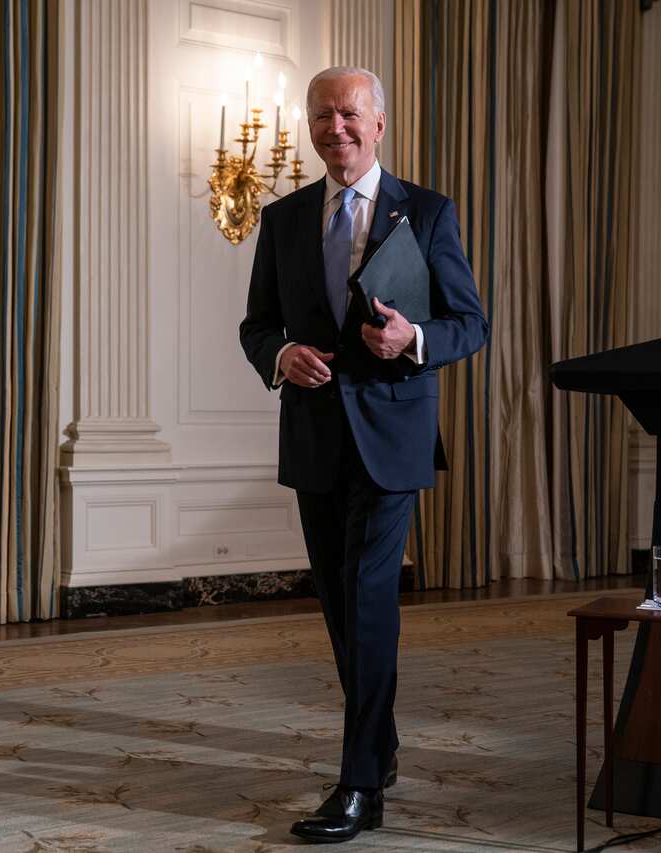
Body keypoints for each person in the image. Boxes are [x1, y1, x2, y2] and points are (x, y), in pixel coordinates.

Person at [238, 65, 488, 844]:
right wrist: (282, 356)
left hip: (393, 437)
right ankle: (377, 745)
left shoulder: (429, 211)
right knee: (341, 607)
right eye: (321, 117)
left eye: (348, 115)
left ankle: (357, 785)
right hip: (314, 437)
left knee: (370, 598)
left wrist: (412, 339)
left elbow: (470, 324)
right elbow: (256, 326)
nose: (334, 129)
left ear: (379, 123)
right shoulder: (282, 220)